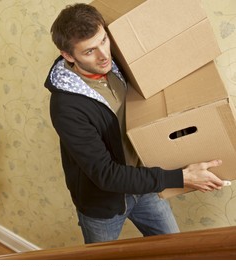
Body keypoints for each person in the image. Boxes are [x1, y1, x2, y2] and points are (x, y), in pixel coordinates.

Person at [44, 3, 227, 244]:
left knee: (175, 251)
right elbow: (106, 175)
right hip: (102, 204)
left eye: (103, 40)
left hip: (144, 184)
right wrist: (181, 177)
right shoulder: (66, 107)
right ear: (68, 55)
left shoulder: (117, 62)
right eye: (89, 51)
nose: (103, 55)